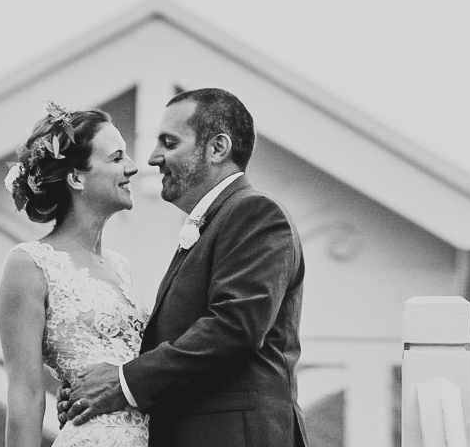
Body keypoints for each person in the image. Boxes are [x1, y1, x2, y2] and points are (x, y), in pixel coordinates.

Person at [57, 88, 308, 447]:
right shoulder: (214, 223)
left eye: (169, 143)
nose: (153, 158)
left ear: (218, 148)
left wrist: (123, 382)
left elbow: (234, 327)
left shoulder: (256, 214)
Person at [0, 103, 151, 447]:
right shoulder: (29, 264)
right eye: (116, 158)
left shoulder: (120, 267)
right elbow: (26, 393)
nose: (133, 167)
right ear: (77, 177)